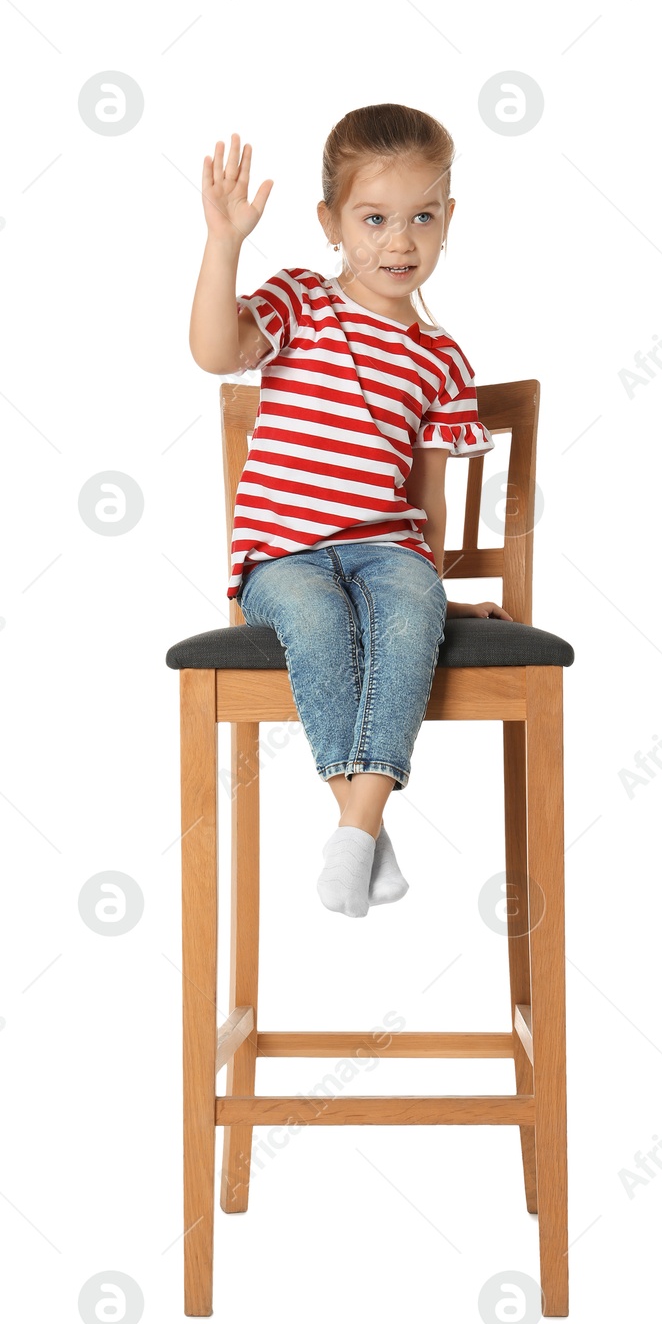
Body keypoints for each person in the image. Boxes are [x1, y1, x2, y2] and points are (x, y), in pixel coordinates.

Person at [188, 106, 510, 915]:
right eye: (374, 219)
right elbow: (215, 353)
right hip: (282, 557)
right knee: (319, 621)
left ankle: (353, 828)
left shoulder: (441, 360)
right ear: (330, 221)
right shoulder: (301, 302)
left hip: (388, 556)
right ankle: (362, 827)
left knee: (405, 612)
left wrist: (440, 596)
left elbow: (427, 506)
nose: (399, 241)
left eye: (422, 218)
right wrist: (224, 240)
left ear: (449, 222)